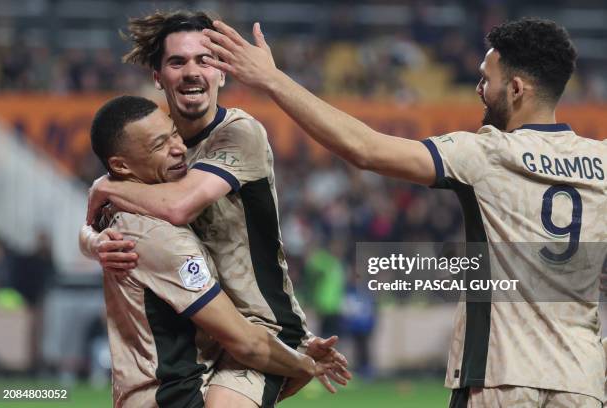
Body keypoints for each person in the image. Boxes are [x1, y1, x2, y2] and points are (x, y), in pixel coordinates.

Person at [199, 18, 606, 407]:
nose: (479, 89)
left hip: (503, 376)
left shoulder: (486, 153)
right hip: (582, 381)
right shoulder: (601, 162)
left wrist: (272, 78)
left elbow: (365, 149)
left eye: (486, 79)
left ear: (516, 89)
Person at [79, 11, 349, 406]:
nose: (191, 71)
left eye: (204, 60)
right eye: (177, 62)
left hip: (262, 327)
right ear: (158, 77)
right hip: (206, 332)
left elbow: (179, 206)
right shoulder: (152, 143)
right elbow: (101, 221)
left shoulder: (241, 132)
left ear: (222, 72)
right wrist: (91, 241)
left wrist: (104, 185)